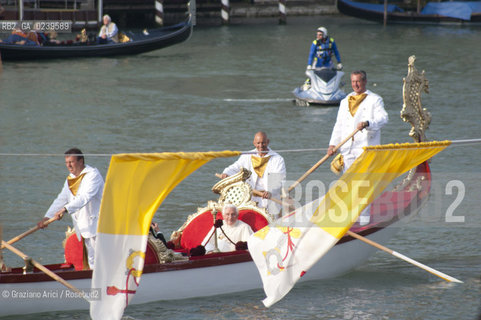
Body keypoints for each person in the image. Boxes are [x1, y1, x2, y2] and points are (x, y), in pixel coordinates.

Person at [327, 70, 388, 225]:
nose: (355, 84)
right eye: (353, 81)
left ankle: (364, 221)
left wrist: (368, 123)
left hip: (365, 149)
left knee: (363, 184)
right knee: (349, 184)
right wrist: (333, 144)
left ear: (365, 81)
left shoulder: (375, 99)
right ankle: (350, 219)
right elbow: (339, 125)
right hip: (347, 149)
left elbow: (383, 118)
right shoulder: (345, 100)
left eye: (358, 81)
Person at [37, 148, 104, 269]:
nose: (68, 165)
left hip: (97, 225)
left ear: (80, 161)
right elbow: (61, 199)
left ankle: (103, 286)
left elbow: (85, 197)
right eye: (66, 162)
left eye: (71, 162)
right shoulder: (70, 178)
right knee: (91, 261)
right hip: (83, 226)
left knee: (97, 261)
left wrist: (64, 210)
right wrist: (47, 217)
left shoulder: (93, 175)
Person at [220, 131, 286, 215]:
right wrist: (226, 173)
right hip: (250, 198)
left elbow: (280, 180)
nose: (261, 146)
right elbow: (235, 167)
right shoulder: (247, 155)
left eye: (263, 143)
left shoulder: (277, 159)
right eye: (258, 143)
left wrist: (270, 191)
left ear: (268, 142)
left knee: (271, 224)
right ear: (254, 143)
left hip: (269, 199)